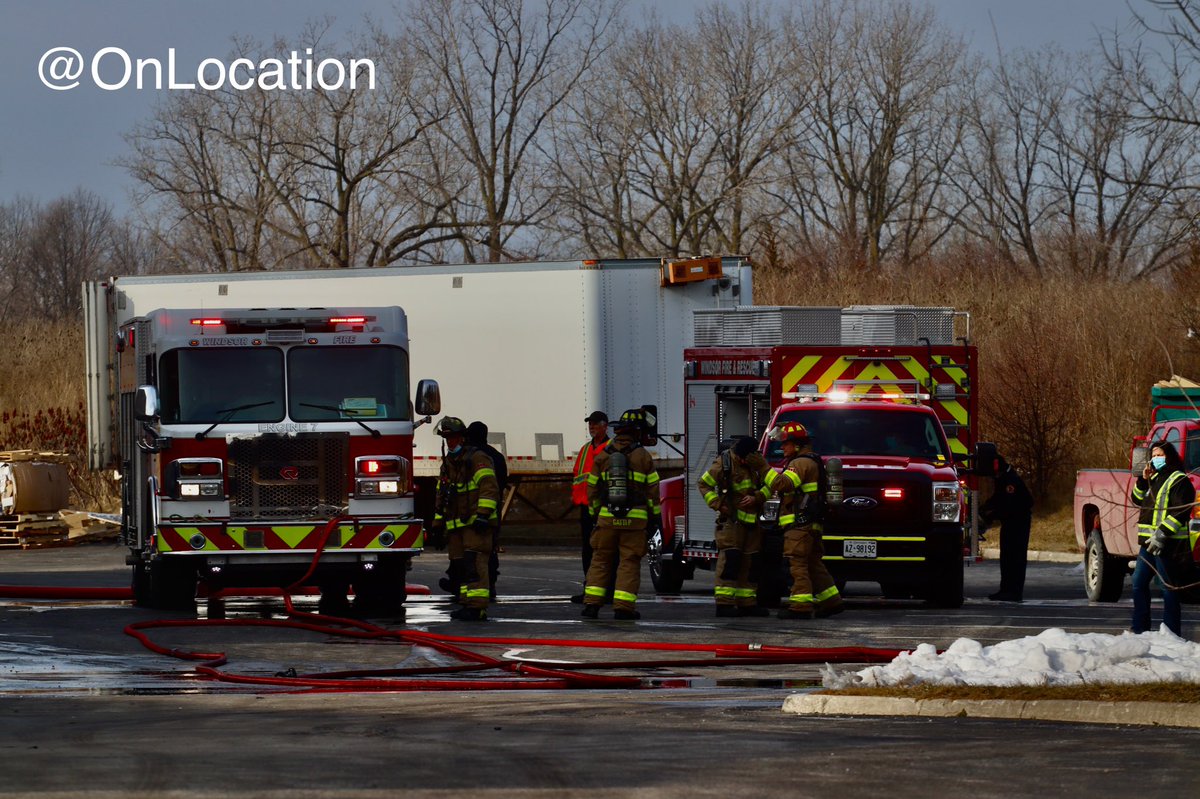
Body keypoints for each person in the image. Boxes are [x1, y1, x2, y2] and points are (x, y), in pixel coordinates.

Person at [581, 408, 660, 621]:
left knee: (600, 560)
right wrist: (655, 518)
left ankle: (591, 604)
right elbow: (653, 491)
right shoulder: (643, 456)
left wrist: (595, 513)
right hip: (635, 522)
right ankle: (623, 608)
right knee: (629, 562)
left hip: (607, 519)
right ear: (636, 432)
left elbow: (592, 488)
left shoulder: (604, 454)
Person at [766, 421, 843, 620]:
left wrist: (762, 469)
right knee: (813, 564)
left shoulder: (799, 463)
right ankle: (831, 601)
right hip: (812, 525)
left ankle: (800, 607)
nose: (782, 447)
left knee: (796, 564)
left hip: (799, 526)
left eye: (786, 443)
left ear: (797, 445)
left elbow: (782, 484)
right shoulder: (812, 460)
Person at [429, 416, 499, 621]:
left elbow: (489, 488)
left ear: (462, 438)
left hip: (476, 524)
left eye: (452, 438)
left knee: (475, 563)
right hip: (456, 526)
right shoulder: (449, 463)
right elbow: (442, 494)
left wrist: (483, 515)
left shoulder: (478, 459)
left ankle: (477, 607)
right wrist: (437, 524)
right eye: (446, 438)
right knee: (460, 565)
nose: (449, 442)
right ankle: (467, 603)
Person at [698, 435, 773, 617]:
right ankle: (724, 604)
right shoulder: (724, 463)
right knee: (731, 561)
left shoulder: (757, 463)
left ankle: (747, 603)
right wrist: (718, 504)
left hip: (752, 523)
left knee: (751, 563)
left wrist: (757, 497)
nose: (742, 460)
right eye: (741, 457)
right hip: (732, 522)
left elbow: (770, 486)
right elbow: (704, 484)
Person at [1130, 441, 1195, 635]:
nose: (1156, 458)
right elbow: (1136, 499)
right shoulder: (1153, 478)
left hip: (1167, 544)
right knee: (1138, 584)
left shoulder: (1179, 480)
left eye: (1160, 455)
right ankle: (1140, 628)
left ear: (1170, 456)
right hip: (1147, 544)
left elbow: (1181, 511)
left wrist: (1162, 533)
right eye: (1154, 455)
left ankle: (1171, 632)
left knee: (1169, 588)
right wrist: (1143, 481)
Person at [570, 411, 613, 604]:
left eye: (595, 424)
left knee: (606, 550)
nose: (591, 427)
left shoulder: (611, 448)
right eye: (590, 424)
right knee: (588, 550)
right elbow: (578, 476)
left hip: (605, 508)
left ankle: (609, 590)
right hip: (586, 507)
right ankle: (590, 589)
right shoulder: (586, 449)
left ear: (605, 426)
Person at [979, 454, 1033, 602]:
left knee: (1015, 557)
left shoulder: (1010, 481)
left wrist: (991, 516)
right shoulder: (1003, 478)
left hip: (1018, 523)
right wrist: (985, 507)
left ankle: (1014, 592)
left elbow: (1009, 505)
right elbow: (998, 498)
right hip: (1010, 522)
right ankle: (1005, 590)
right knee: (1007, 556)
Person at [466, 421, 507, 603]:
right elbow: (501, 484)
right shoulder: (496, 456)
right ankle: (491, 585)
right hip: (492, 513)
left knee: (471, 552)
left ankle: (471, 590)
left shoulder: (471, 456)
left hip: (471, 512)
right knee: (489, 550)